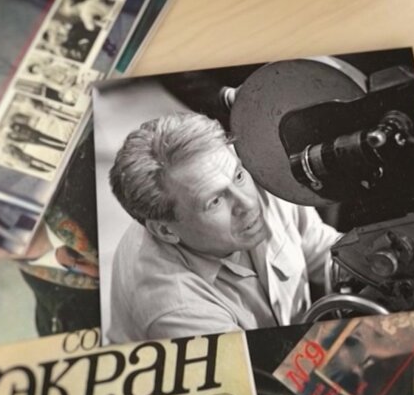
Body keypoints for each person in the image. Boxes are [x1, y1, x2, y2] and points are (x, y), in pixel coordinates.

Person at [107, 113, 341, 342]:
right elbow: (266, 364)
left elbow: (320, 250)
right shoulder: (176, 308)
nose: (248, 203)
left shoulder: (253, 182)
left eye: (238, 176)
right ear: (166, 231)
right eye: (215, 201)